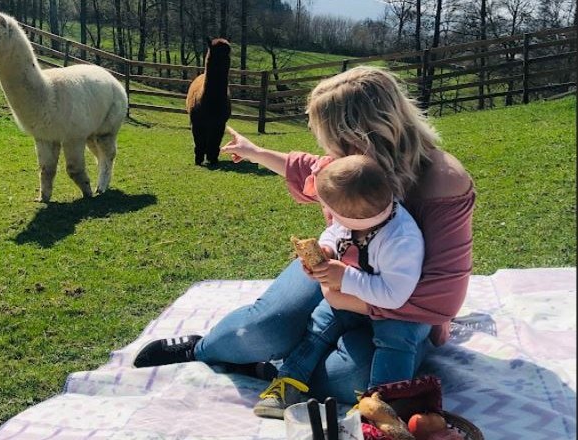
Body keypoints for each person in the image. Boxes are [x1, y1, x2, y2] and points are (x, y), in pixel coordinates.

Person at [134, 65, 475, 407]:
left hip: (399, 300)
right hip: (337, 269)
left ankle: (276, 368)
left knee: (353, 381)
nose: (329, 153)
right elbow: (307, 167)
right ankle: (203, 347)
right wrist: (256, 152)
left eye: (332, 141)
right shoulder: (348, 165)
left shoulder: (442, 181)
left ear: (361, 136)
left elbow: (442, 297)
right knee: (266, 327)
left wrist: (348, 299)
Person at [254, 154, 427, 419]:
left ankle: (383, 405)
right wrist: (326, 250)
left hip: (395, 310)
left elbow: (394, 296)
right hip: (352, 300)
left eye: (334, 215)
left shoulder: (401, 238)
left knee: (396, 340)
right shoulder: (353, 221)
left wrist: (344, 277)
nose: (331, 220)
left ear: (353, 218)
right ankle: (288, 381)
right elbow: (335, 233)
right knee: (318, 326)